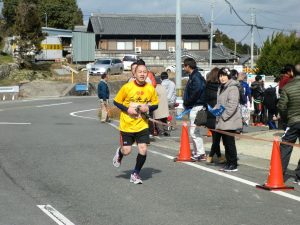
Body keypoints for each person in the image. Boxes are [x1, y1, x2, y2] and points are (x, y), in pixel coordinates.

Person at [112, 64, 159, 184]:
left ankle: (135, 173)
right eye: (140, 72)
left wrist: (147, 107)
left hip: (142, 124)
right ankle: (120, 153)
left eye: (144, 72)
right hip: (127, 125)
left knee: (143, 149)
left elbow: (156, 104)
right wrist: (127, 109)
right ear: (135, 74)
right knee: (127, 151)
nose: (142, 74)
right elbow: (116, 101)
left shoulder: (150, 88)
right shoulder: (127, 87)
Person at [215, 67, 242, 172]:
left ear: (229, 76)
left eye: (224, 76)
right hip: (222, 120)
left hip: (229, 120)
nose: (222, 78)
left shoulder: (233, 88)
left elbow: (232, 105)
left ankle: (233, 163)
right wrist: (214, 111)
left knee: (230, 143)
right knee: (225, 143)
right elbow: (219, 103)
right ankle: (229, 162)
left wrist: (223, 116)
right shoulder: (221, 87)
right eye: (220, 76)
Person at [278, 63, 300, 185]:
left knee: (286, 146)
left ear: (292, 73)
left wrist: (287, 118)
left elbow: (282, 106)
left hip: (293, 121)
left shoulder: (288, 87)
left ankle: (279, 174)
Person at [183, 57, 207, 161]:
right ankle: (198, 152)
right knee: (195, 131)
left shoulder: (195, 77)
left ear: (188, 66)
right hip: (195, 106)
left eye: (184, 66)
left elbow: (197, 90)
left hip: (196, 106)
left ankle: (200, 153)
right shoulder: (195, 75)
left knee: (194, 131)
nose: (184, 68)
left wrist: (189, 101)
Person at [205, 67, 226, 164]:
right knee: (217, 138)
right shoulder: (221, 87)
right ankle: (210, 156)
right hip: (219, 114)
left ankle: (219, 156)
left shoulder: (207, 86)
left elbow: (204, 100)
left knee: (215, 137)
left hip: (210, 114)